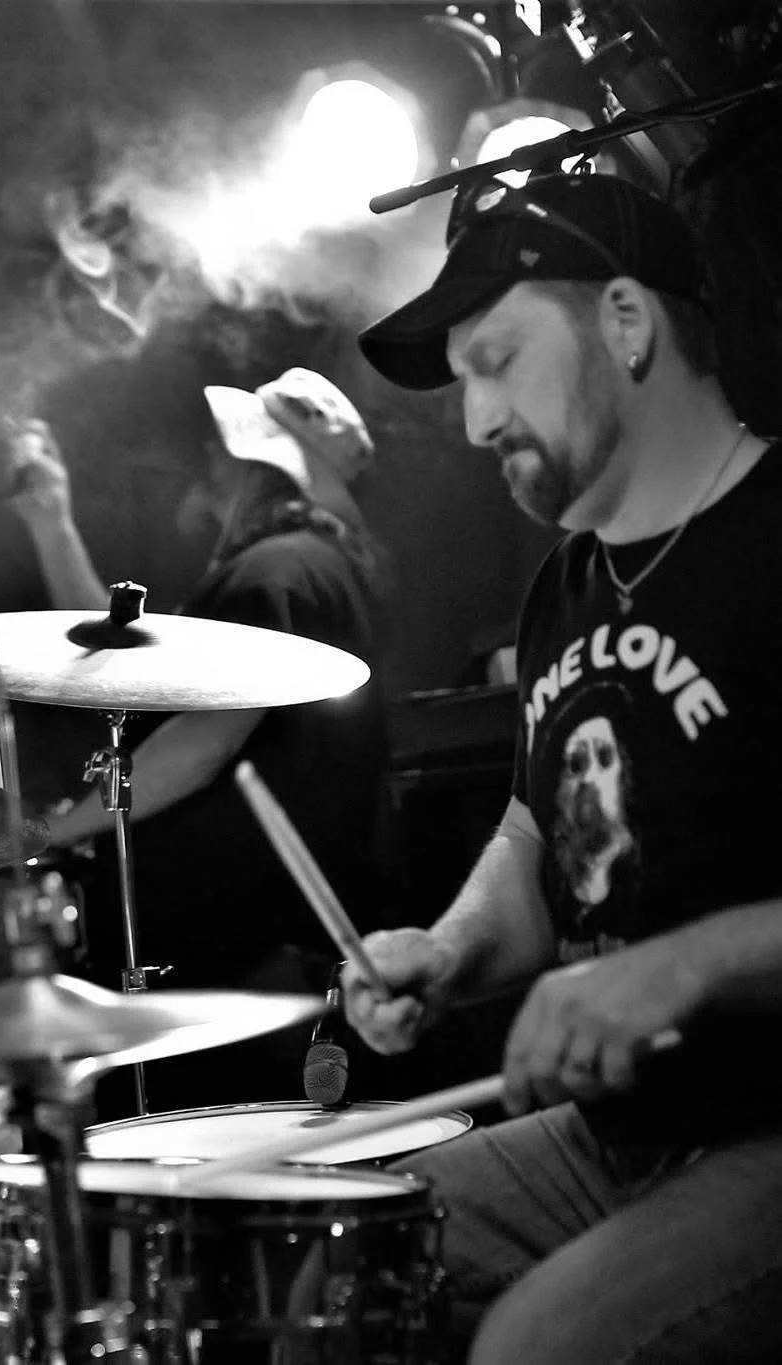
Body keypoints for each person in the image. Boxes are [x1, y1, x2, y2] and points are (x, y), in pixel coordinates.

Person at [347, 168, 782, 1362]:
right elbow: (535, 841)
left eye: (494, 358)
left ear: (626, 322)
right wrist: (447, 949)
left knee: (533, 1347)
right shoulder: (565, 585)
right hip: (617, 1137)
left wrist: (680, 969)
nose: (473, 420)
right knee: (329, 1268)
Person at [7, 368, 397, 1113]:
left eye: (225, 448)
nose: (208, 459)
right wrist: (52, 520)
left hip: (246, 973)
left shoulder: (272, 573)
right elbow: (129, 669)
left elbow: (200, 742)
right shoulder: (301, 568)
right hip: (269, 966)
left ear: (257, 467)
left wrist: (50, 827)